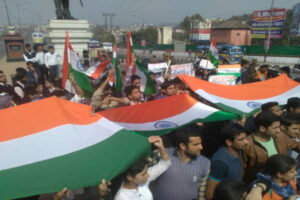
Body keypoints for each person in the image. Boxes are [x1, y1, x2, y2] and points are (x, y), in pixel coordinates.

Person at [154, 126, 210, 200]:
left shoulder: (205, 163)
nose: (201, 147)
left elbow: (201, 194)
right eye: (196, 144)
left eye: (200, 143)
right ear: (183, 146)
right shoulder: (161, 154)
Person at [243, 111, 300, 183]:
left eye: (279, 127)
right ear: (262, 128)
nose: (279, 130)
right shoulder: (247, 144)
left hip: (282, 181)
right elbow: (242, 169)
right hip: (262, 183)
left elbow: (296, 145)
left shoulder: (281, 136)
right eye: (275, 127)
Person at [114, 136, 171, 200]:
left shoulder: (142, 181)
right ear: (129, 177)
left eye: (146, 171)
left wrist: (161, 147)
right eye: (143, 174)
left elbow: (165, 164)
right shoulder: (121, 197)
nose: (148, 175)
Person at [206, 122, 249, 199]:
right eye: (241, 139)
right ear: (229, 142)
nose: (246, 142)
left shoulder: (238, 151)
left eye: (245, 138)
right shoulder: (220, 163)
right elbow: (210, 193)